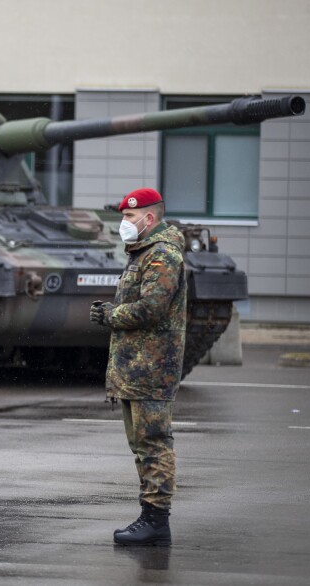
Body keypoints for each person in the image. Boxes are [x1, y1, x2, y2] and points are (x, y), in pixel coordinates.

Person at [90, 187, 186, 547]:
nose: (123, 223)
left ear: (149, 218)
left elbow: (152, 308)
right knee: (142, 445)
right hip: (137, 368)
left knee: (154, 443)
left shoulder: (162, 255)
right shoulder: (142, 253)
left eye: (129, 217)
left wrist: (111, 315)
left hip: (152, 367)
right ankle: (149, 516)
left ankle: (156, 520)